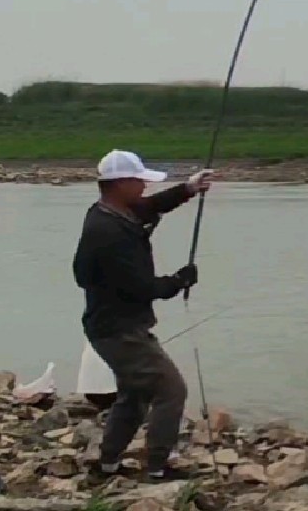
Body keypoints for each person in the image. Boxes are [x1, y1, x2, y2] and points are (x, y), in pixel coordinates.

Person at [72, 150, 215, 480]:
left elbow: (149, 207)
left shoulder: (110, 212)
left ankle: (108, 464)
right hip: (119, 330)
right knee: (171, 389)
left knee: (134, 395)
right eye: (139, 181)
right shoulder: (108, 233)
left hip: (111, 326)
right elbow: (143, 287)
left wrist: (188, 189)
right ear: (120, 184)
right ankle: (158, 467)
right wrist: (179, 280)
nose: (144, 187)